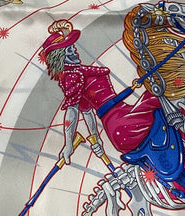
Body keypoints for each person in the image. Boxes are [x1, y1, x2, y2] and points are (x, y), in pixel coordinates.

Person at [40, 20, 161, 165]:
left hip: (118, 120)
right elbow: (72, 111)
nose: (75, 50)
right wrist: (68, 145)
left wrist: (96, 139)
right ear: (61, 56)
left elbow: (87, 112)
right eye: (69, 49)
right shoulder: (73, 76)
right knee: (159, 96)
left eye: (73, 47)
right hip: (121, 122)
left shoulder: (78, 74)